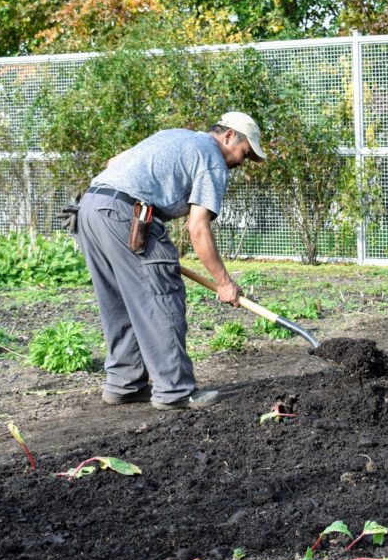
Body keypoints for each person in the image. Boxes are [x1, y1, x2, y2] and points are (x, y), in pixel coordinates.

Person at [72, 112, 266, 410]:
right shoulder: (212, 158)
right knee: (162, 296)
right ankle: (175, 390)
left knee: (121, 300)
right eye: (246, 152)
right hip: (127, 215)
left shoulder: (175, 135)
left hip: (89, 208)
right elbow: (198, 229)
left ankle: (124, 383)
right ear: (229, 136)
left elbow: (113, 162)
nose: (242, 162)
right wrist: (225, 283)